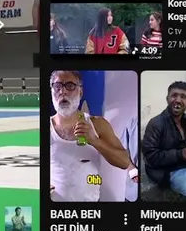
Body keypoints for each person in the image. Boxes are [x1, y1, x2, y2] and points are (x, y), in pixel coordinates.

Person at [49, 70, 133, 201]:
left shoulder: (97, 124)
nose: (63, 91)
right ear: (51, 91)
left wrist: (95, 141)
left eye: (70, 86)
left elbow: (124, 162)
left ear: (80, 92)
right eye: (57, 86)